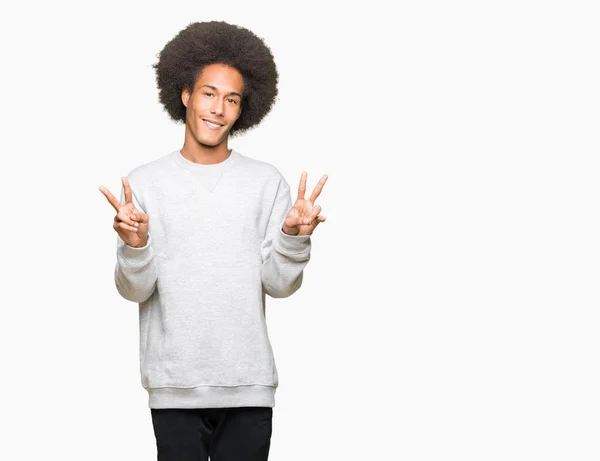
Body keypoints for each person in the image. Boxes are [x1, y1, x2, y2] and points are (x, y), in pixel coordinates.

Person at [98, 20, 328, 461]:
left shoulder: (266, 182)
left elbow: (279, 285)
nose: (218, 108)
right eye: (208, 93)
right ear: (185, 94)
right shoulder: (146, 183)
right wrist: (135, 246)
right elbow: (134, 290)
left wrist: (292, 238)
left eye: (231, 99)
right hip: (174, 386)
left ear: (244, 109)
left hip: (249, 386)